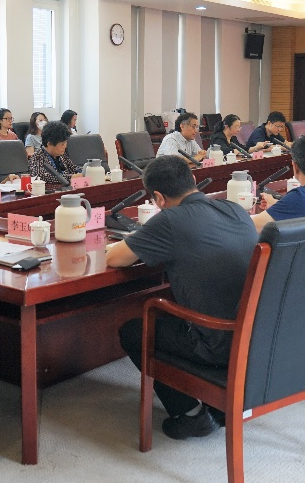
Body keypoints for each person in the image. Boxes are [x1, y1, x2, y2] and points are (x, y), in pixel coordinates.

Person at [107, 155, 257, 440]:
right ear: (193, 181)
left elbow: (116, 258)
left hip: (216, 343)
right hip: (254, 336)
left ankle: (189, 414)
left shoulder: (169, 220)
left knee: (134, 331)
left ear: (158, 198)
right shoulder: (234, 209)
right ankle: (218, 407)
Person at [28, 121, 82, 189]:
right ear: (49, 144)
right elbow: (40, 177)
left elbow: (73, 169)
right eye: (62, 144)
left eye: (65, 143)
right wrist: (69, 177)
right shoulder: (37, 157)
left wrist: (82, 172)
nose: (65, 146)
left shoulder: (62, 155)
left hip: (66, 189)